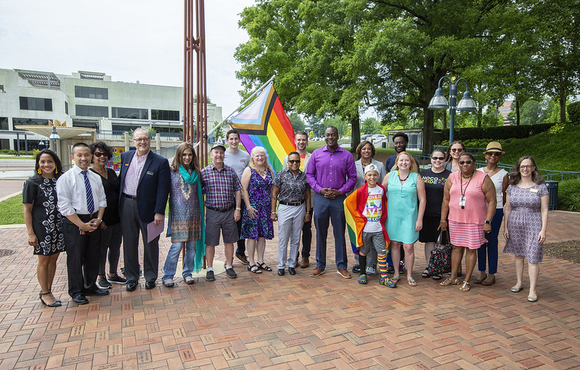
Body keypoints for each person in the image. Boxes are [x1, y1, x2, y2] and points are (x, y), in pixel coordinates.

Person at [119, 128, 171, 291]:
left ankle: (150, 276)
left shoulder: (160, 162)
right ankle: (132, 277)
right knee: (129, 243)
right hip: (127, 204)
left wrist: (159, 212)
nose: (142, 142)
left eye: (145, 139)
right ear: (133, 142)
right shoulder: (125, 157)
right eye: (139, 139)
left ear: (150, 141)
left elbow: (163, 189)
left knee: (150, 243)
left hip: (150, 209)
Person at [57, 143, 108, 305]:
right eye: (79, 155)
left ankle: (90, 286)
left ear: (91, 156)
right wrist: (81, 225)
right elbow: (64, 206)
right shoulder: (66, 178)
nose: (83, 158)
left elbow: (102, 200)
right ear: (73, 157)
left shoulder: (95, 177)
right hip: (74, 222)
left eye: (86, 155)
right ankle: (76, 291)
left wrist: (98, 219)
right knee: (75, 258)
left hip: (93, 220)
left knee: (93, 255)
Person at [439, 152, 497, 292]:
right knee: (456, 248)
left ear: (474, 163)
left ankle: (467, 280)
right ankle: (453, 277)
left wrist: (488, 221)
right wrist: (443, 219)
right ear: (458, 164)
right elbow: (446, 200)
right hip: (455, 220)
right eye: (462, 162)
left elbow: (492, 201)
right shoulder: (452, 177)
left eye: (468, 162)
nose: (465, 165)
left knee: (471, 249)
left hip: (475, 221)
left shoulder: (483, 178)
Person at [306, 126, 357, 279]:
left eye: (333, 135)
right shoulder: (316, 154)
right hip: (321, 198)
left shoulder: (347, 156)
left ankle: (341, 265)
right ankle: (320, 265)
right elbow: (309, 174)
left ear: (337, 136)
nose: (330, 137)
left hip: (339, 199)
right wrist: (320, 190)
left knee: (339, 233)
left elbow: (353, 178)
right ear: (325, 137)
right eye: (327, 135)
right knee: (320, 232)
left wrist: (340, 191)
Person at [201, 143, 255, 281]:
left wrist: (237, 209)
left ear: (224, 155)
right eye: (216, 152)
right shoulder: (204, 172)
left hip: (229, 211)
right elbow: (200, 193)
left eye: (221, 153)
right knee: (210, 242)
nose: (219, 155)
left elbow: (238, 190)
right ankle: (210, 268)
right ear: (211, 155)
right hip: (212, 212)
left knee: (229, 241)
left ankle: (229, 266)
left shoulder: (230, 171)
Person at [503, 156, 549, 302]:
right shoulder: (512, 187)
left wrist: (543, 230)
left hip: (534, 223)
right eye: (522, 166)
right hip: (515, 222)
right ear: (518, 168)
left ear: (533, 168)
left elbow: (545, 210)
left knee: (533, 257)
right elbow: (508, 208)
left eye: (528, 166)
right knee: (518, 254)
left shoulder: (540, 187)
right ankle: (519, 282)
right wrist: (506, 227)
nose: (525, 169)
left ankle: (532, 289)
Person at [23, 149, 65, 307]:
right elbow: (27, 209)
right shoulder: (32, 182)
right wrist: (30, 233)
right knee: (43, 259)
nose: (46, 164)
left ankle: (48, 289)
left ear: (55, 164)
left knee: (54, 258)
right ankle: (45, 292)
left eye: (50, 161)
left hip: (58, 226)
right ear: (38, 164)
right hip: (42, 228)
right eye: (43, 162)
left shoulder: (60, 179)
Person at [344, 164, 396, 288]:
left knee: (382, 251)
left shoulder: (381, 189)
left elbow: (384, 203)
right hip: (365, 228)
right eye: (369, 175)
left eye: (374, 175)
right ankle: (362, 273)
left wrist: (383, 218)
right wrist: (359, 218)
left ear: (378, 176)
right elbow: (348, 202)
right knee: (363, 251)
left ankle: (383, 277)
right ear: (365, 176)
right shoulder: (361, 191)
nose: (372, 177)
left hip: (378, 227)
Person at [161, 143, 205, 287]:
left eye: (189, 155)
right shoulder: (171, 171)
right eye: (184, 154)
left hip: (194, 215)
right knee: (177, 247)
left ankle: (187, 273)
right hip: (178, 216)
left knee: (191, 248)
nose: (187, 157)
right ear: (179, 155)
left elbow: (202, 191)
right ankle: (168, 275)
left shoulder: (196, 173)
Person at [382, 151, 426, 286]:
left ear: (411, 163)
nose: (404, 163)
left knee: (408, 246)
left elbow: (423, 200)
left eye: (407, 160)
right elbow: (380, 193)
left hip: (410, 217)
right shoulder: (389, 176)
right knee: (395, 245)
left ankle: (409, 274)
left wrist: (419, 219)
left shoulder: (416, 177)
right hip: (393, 217)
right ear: (397, 163)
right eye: (401, 160)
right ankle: (396, 273)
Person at [89, 141, 126, 290]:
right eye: (98, 154)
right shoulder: (90, 175)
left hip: (116, 216)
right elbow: (92, 199)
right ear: (92, 156)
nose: (102, 157)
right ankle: (101, 276)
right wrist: (99, 219)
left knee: (115, 246)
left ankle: (112, 273)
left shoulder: (110, 172)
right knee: (102, 248)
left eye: (104, 154)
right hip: (102, 218)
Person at [474, 142, 508, 286]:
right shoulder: (478, 171)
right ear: (485, 155)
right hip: (480, 209)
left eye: (497, 154)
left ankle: (492, 272)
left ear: (500, 156)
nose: (493, 156)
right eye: (490, 153)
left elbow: (504, 194)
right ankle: (481, 271)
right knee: (480, 241)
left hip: (496, 209)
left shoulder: (504, 174)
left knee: (492, 241)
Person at [272, 151, 311, 276]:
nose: (295, 163)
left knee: (295, 238)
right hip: (285, 207)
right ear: (287, 162)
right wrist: (273, 211)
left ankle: (291, 264)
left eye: (297, 161)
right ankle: (281, 265)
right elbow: (274, 194)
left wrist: (307, 212)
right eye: (292, 161)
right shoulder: (281, 175)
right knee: (283, 238)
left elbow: (308, 195)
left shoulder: (303, 176)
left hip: (299, 207)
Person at [352, 140, 386, 275]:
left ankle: (371, 265)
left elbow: (383, 185)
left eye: (369, 149)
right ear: (359, 150)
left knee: (375, 239)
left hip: (375, 206)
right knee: (362, 238)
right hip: (361, 206)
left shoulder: (379, 165)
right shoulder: (354, 165)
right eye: (363, 148)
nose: (366, 151)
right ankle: (360, 264)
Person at [419, 149, 451, 280]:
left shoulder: (450, 175)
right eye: (435, 158)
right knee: (429, 242)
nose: (437, 161)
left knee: (442, 243)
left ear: (445, 160)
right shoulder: (422, 174)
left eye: (441, 158)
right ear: (430, 159)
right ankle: (429, 267)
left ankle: (438, 268)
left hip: (442, 214)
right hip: (426, 213)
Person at [241, 146, 275, 273]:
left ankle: (261, 260)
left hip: (265, 209)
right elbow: (243, 189)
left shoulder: (269, 170)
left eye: (262, 155)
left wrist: (272, 210)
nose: (260, 158)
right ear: (253, 158)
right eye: (257, 156)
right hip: (253, 209)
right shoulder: (249, 170)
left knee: (262, 236)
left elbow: (272, 191)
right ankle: (251, 262)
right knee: (252, 236)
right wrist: (248, 207)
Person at [282, 131, 312, 268]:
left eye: (304, 139)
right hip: (291, 202)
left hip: (307, 199)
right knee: (291, 231)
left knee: (306, 228)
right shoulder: (286, 158)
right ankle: (294, 256)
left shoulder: (312, 157)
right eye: (299, 139)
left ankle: (305, 256)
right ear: (295, 141)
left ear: (307, 141)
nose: (301, 142)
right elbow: (284, 178)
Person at [223, 129, 251, 266]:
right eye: (231, 139)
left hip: (241, 194)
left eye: (236, 139)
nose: (234, 141)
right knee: (228, 226)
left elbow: (248, 173)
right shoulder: (223, 155)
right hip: (226, 196)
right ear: (227, 140)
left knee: (241, 225)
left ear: (239, 140)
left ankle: (241, 251)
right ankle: (228, 257)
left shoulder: (245, 156)